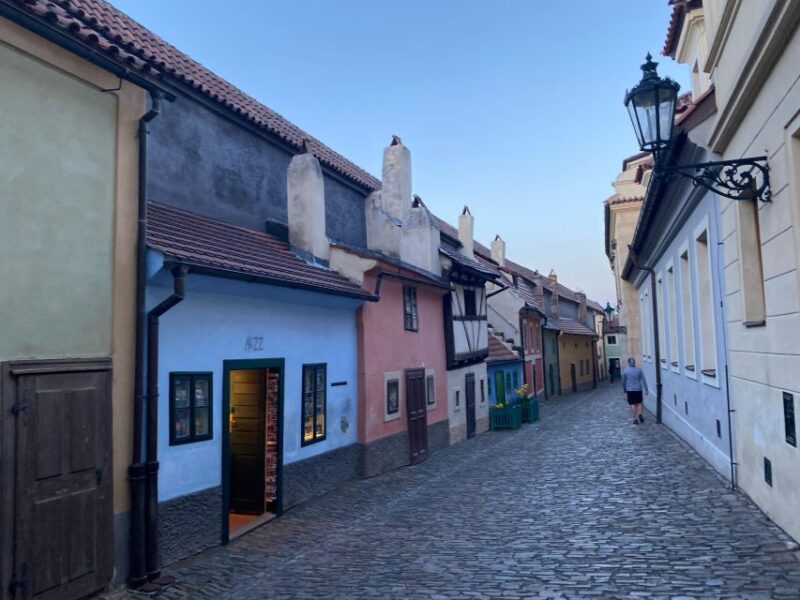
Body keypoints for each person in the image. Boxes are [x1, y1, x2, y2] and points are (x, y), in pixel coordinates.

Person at [622, 357, 648, 425]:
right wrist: (646, 389)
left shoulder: (625, 371)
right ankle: (640, 414)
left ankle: (635, 419)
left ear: (628, 363)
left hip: (630, 390)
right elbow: (643, 380)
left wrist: (624, 390)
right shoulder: (639, 370)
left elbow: (624, 382)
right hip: (638, 389)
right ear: (634, 362)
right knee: (639, 403)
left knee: (632, 404)